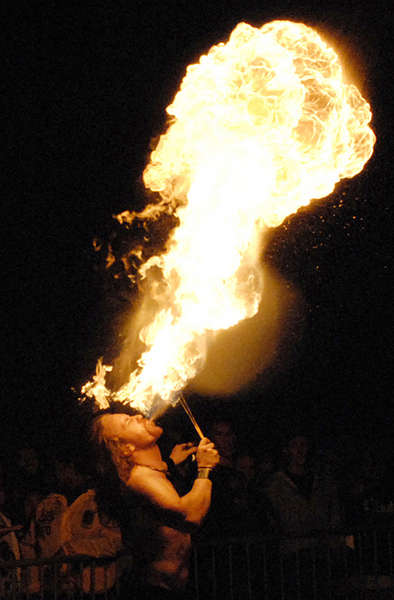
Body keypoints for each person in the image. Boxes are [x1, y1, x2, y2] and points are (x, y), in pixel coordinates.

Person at [89, 404, 219, 600]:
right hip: (153, 592)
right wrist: (205, 467)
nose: (139, 416)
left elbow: (157, 477)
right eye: (128, 422)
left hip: (174, 588)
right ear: (126, 448)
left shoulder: (149, 472)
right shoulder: (139, 478)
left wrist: (171, 464)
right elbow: (191, 518)